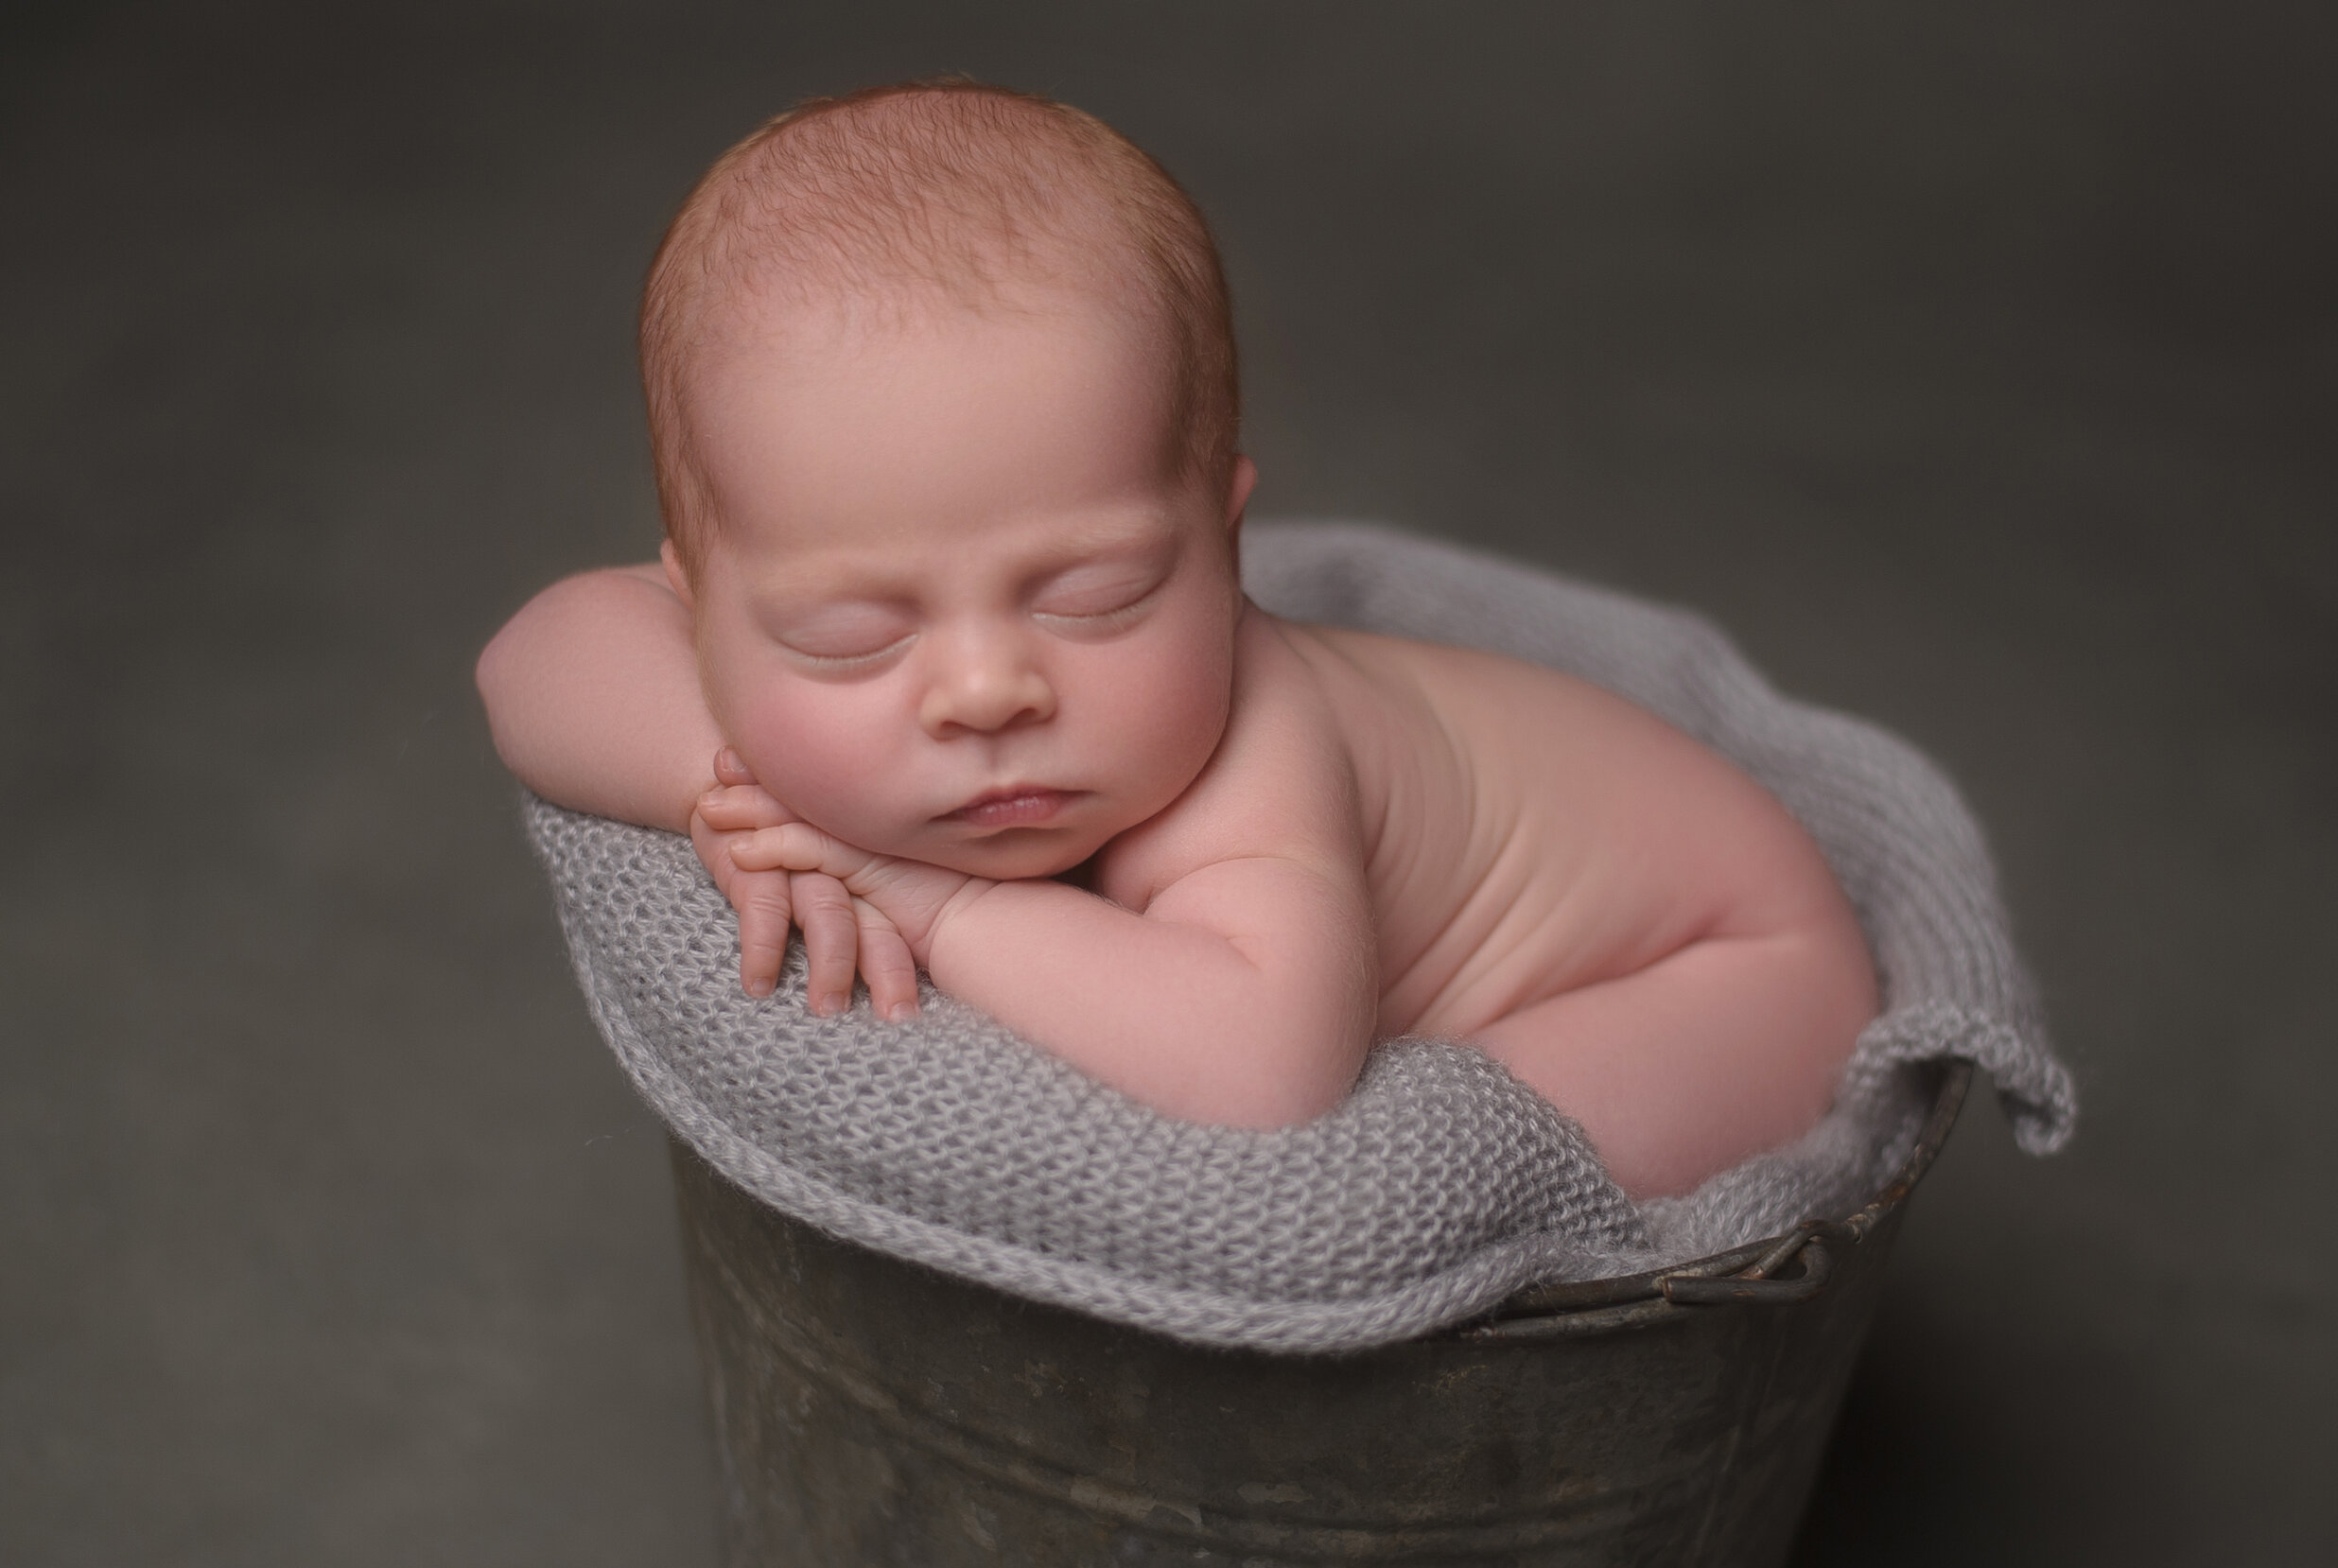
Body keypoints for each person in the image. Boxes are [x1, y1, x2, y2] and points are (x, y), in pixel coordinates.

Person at [475, 79, 1877, 1199]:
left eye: (1092, 598)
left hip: (1729, 965)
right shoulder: (778, 688)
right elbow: (533, 657)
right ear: (701, 602)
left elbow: (1261, 1072)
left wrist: (935, 898)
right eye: (849, 637)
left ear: (1226, 544)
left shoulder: (1256, 762)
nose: (986, 688)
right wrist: (728, 784)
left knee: (1408, 1171)